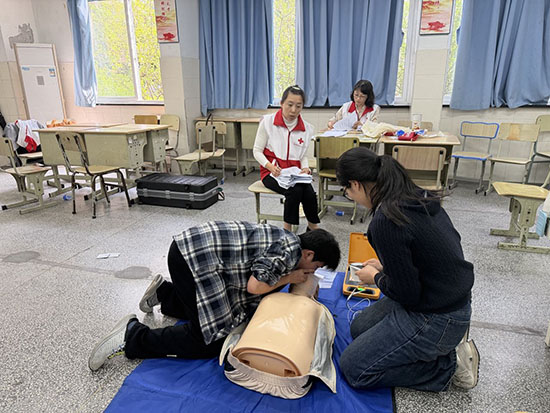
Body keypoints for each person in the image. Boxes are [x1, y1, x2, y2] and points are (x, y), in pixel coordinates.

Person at [88, 221, 340, 370]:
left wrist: (291, 278)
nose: (311, 272)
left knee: (224, 311)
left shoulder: (287, 239)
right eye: (316, 267)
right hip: (194, 260)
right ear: (308, 254)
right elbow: (254, 287)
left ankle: (166, 294)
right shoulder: (289, 251)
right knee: (209, 340)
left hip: (188, 249)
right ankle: (132, 336)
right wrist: (291, 278)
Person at [335, 147, 479, 392]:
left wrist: (376, 277)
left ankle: (448, 366)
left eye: (347, 191)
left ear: (355, 184)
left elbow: (407, 294)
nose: (350, 196)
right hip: (444, 297)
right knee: (359, 328)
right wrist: (387, 266)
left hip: (436, 315)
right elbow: (428, 252)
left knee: (353, 368)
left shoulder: (386, 220)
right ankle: (436, 345)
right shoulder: (414, 195)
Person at [253, 85, 320, 232]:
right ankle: (287, 230)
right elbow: (257, 151)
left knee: (309, 193)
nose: (293, 110)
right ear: (281, 103)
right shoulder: (268, 122)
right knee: (294, 191)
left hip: (294, 174)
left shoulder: (307, 128)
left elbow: (303, 155)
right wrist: (269, 166)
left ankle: (313, 227)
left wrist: (305, 168)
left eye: (298, 106)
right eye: (290, 105)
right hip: (271, 173)